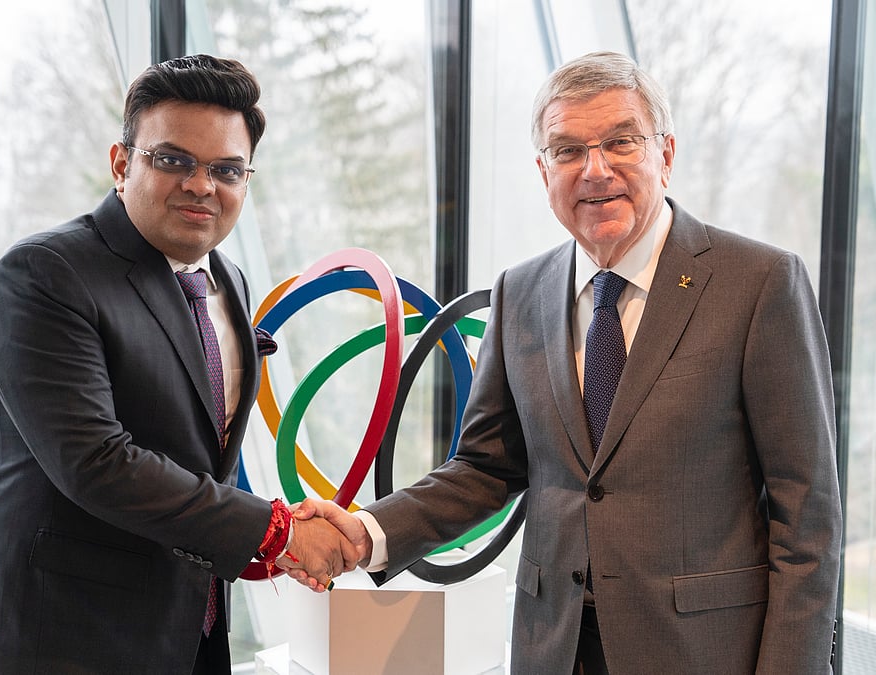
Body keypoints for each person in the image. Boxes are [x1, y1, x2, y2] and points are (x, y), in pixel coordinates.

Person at [291, 51, 843, 674]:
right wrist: (366, 534)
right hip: (552, 648)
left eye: (620, 142)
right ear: (542, 170)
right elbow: (484, 467)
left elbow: (808, 519)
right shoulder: (519, 291)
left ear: (665, 153)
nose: (595, 170)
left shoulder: (759, 282)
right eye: (568, 150)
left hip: (702, 653)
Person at [0, 54, 355, 674]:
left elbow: (197, 451)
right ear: (121, 163)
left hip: (190, 624)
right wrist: (277, 533)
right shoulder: (43, 274)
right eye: (173, 160)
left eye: (226, 169)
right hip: (63, 631)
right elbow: (97, 463)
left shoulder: (230, 280)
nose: (201, 185)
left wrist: (265, 541)